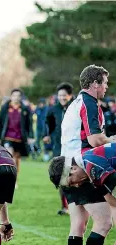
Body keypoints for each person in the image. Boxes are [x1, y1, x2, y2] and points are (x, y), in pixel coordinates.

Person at [59, 65, 114, 245]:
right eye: (104, 82)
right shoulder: (90, 102)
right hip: (81, 168)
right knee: (103, 222)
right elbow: (95, 140)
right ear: (94, 84)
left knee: (78, 224)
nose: (106, 87)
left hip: (64, 168)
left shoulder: (75, 103)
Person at [48, 143, 116, 245]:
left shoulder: (94, 166)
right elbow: (113, 203)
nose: (77, 185)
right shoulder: (90, 169)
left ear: (73, 169)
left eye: (72, 182)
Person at [44, 82, 74, 215]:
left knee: (73, 176)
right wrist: (47, 135)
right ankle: (65, 206)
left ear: (70, 96)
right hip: (58, 147)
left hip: (73, 147)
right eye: (60, 95)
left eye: (64, 95)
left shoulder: (75, 107)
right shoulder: (53, 109)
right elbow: (48, 123)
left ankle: (77, 204)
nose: (62, 98)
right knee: (61, 177)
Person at [0, 88, 34, 185]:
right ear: (11, 96)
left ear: (20, 97)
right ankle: (8, 179)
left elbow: (29, 123)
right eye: (14, 95)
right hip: (8, 137)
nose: (16, 98)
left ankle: (14, 179)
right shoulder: (5, 108)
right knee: (10, 156)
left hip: (20, 138)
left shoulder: (25, 109)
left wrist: (30, 136)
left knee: (16, 160)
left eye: (18, 96)